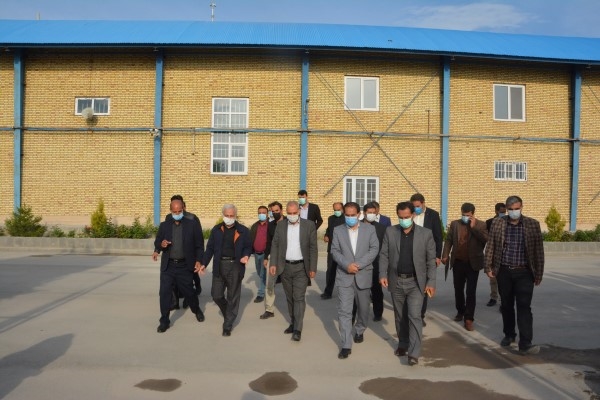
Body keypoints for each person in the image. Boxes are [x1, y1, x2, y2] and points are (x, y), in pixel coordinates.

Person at [484, 195, 544, 355]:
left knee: (524, 307)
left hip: (524, 272)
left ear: (521, 207)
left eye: (516, 209)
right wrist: (488, 266)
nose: (514, 212)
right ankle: (509, 334)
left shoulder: (532, 224)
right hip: (504, 271)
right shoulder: (498, 223)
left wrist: (539, 273)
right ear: (506, 209)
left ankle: (525, 343)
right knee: (506, 305)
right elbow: (491, 245)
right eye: (510, 209)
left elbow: (538, 250)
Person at [379, 201, 436, 366]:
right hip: (396, 280)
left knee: (414, 316)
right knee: (400, 316)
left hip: (416, 282)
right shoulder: (390, 232)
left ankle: (414, 352)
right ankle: (403, 343)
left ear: (413, 215)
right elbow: (384, 255)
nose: (404, 220)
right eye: (401, 217)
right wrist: (382, 274)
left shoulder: (426, 234)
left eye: (406, 217)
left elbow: (431, 261)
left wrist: (431, 282)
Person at [331, 202, 379, 359]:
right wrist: (347, 265)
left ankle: (360, 329)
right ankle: (346, 344)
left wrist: (358, 265)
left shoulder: (369, 229)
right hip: (344, 275)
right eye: (347, 215)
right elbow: (335, 251)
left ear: (359, 214)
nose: (350, 218)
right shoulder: (338, 230)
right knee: (344, 311)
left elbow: (374, 249)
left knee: (364, 308)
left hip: (363, 274)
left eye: (353, 215)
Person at [197, 204, 252, 337]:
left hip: (235, 266)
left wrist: (246, 255)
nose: (229, 218)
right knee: (216, 295)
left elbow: (248, 246)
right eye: (227, 215)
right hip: (219, 265)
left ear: (235, 215)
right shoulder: (216, 230)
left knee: (232, 296)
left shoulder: (243, 230)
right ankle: (229, 312)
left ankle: (227, 325)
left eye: (231, 215)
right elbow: (210, 248)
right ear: (223, 215)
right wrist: (204, 263)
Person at [152, 198, 205, 333]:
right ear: (170, 210)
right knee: (164, 293)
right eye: (174, 212)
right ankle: (164, 320)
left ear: (183, 209)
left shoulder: (192, 225)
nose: (177, 214)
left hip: (184, 266)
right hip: (168, 266)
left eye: (179, 211)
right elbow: (158, 241)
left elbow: (199, 245)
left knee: (189, 292)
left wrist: (199, 260)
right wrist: (160, 245)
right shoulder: (164, 225)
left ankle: (196, 309)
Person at [268, 200, 318, 341]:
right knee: (289, 297)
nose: (292, 215)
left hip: (301, 267)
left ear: (299, 211)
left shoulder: (309, 225)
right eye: (289, 213)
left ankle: (298, 329)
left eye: (294, 213)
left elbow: (313, 248)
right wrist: (273, 263)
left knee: (298, 297)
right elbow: (275, 245)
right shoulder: (281, 225)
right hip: (285, 267)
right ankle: (293, 321)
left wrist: (312, 267)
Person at [441, 202, 488, 331]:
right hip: (458, 262)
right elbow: (449, 240)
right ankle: (460, 311)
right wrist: (445, 255)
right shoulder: (455, 224)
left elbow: (485, 239)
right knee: (458, 289)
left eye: (467, 215)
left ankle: (469, 318)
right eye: (463, 214)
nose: (465, 217)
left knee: (471, 291)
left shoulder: (481, 225)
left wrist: (473, 228)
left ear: (473, 214)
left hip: (473, 263)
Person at [163, 195, 203, 309]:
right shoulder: (168, 217)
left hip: (190, 252)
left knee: (190, 277)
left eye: (179, 206)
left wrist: (198, 257)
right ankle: (175, 301)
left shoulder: (192, 218)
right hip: (174, 252)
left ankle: (190, 296)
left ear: (183, 206)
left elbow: (198, 236)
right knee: (173, 280)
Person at [410, 193, 442, 326]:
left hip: (426, 255)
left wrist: (437, 255)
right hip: (410, 254)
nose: (416, 208)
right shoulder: (409, 214)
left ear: (423, 203)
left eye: (417, 206)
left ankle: (420, 315)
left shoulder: (433, 215)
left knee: (423, 285)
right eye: (413, 206)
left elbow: (438, 236)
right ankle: (411, 313)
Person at [361, 202, 387, 321]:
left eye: (373, 212)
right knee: (360, 291)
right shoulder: (357, 225)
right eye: (369, 212)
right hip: (360, 263)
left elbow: (384, 247)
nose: (371, 214)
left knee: (376, 290)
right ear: (364, 213)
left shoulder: (381, 228)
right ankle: (359, 314)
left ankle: (378, 313)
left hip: (376, 264)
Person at [260, 201, 285, 319]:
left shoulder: (289, 222)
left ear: (282, 211)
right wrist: (266, 257)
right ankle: (269, 309)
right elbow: (268, 242)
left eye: (277, 211)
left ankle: (294, 309)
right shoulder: (270, 225)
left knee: (290, 285)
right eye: (272, 211)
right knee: (269, 284)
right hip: (273, 257)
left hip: (287, 257)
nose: (275, 213)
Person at [321, 202, 345, 300]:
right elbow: (329, 229)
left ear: (342, 209)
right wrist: (326, 235)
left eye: (338, 210)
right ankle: (328, 292)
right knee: (330, 270)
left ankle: (344, 293)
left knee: (344, 272)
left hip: (343, 250)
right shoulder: (331, 218)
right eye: (335, 210)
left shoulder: (346, 219)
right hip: (332, 249)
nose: (337, 212)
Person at [485, 202, 506, 307]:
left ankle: (504, 300)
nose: (503, 213)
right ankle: (493, 297)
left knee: (504, 280)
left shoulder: (508, 221)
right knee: (493, 279)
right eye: (501, 212)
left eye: (504, 212)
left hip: (505, 255)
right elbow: (487, 239)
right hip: (493, 255)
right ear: (496, 211)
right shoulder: (489, 222)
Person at [250, 205, 269, 303]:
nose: (262, 214)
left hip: (266, 254)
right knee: (259, 272)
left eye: (264, 213)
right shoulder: (255, 226)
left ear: (267, 214)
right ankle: (267, 283)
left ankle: (260, 294)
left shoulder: (270, 225)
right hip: (256, 254)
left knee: (262, 274)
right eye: (260, 213)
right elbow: (251, 239)